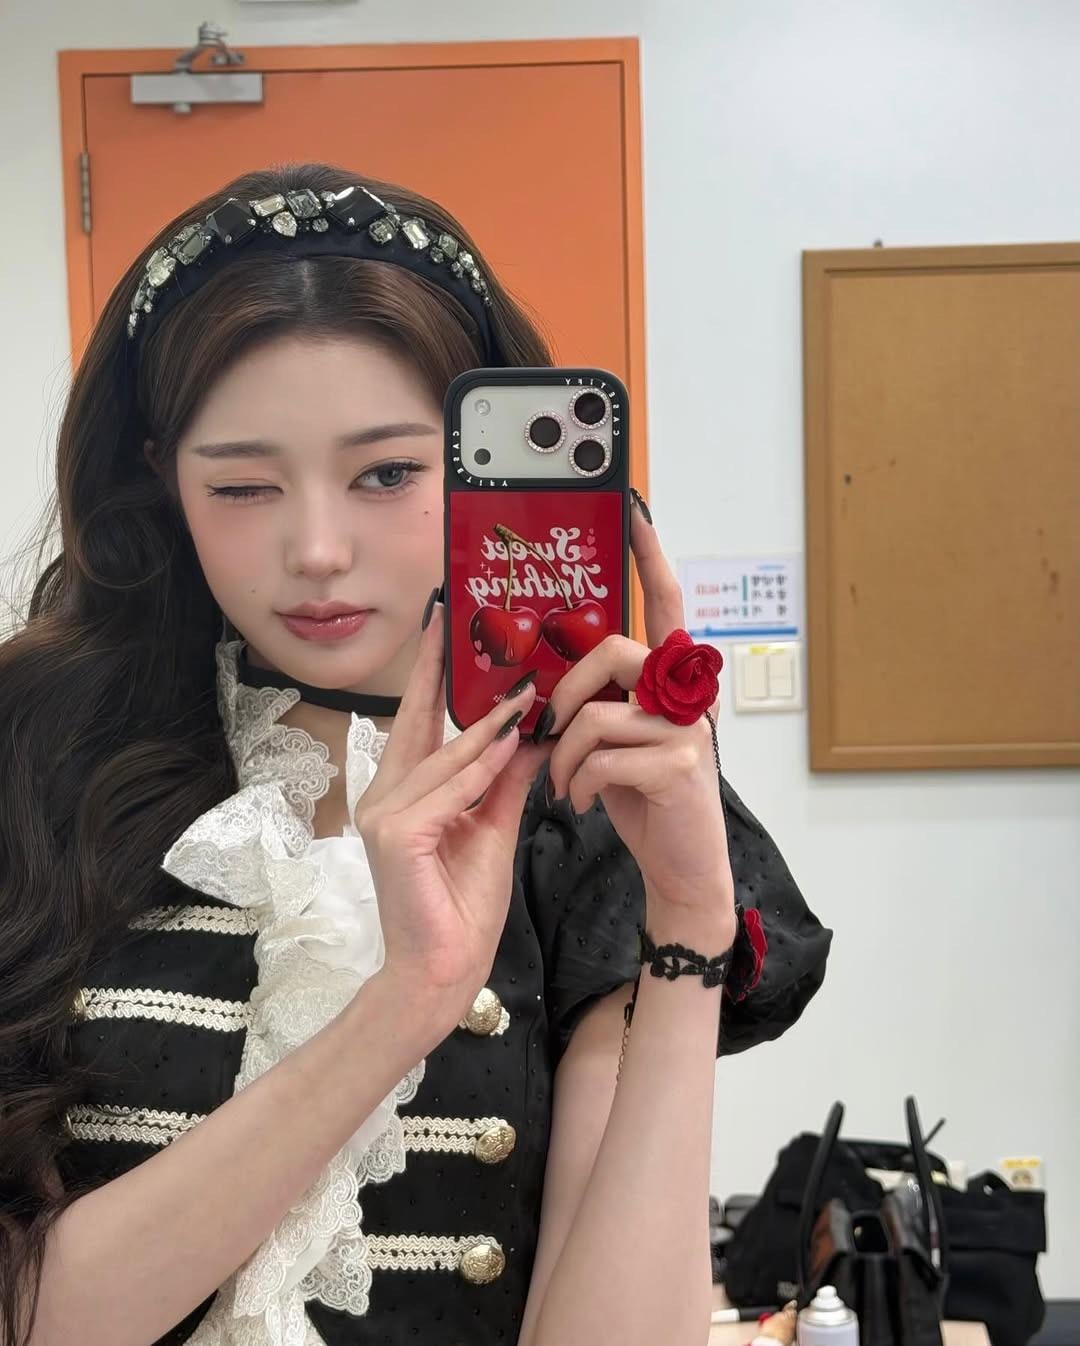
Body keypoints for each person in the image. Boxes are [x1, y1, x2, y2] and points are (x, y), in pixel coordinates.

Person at [0, 162, 832, 1346]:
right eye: (243, 484)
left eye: (388, 473)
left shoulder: (584, 795)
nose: (318, 550)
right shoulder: (42, 751)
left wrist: (690, 922)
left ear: (484, 473)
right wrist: (402, 1006)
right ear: (156, 477)